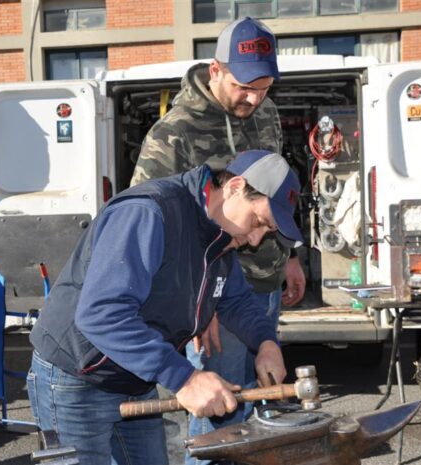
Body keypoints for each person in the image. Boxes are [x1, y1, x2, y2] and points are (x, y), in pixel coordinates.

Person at [28, 150, 299, 465]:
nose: (255, 240)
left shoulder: (221, 237)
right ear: (235, 187)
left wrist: (266, 342)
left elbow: (236, 299)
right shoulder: (150, 212)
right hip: (76, 378)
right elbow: (102, 314)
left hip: (135, 378)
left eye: (266, 232)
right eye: (258, 222)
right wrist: (185, 379)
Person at [129, 16, 305, 453]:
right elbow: (149, 229)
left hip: (262, 286)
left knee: (257, 401)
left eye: (264, 87)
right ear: (215, 70)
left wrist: (290, 255)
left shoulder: (267, 114)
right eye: (244, 86)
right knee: (220, 414)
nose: (253, 97)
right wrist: (198, 308)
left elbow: (276, 194)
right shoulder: (172, 135)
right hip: (215, 295)